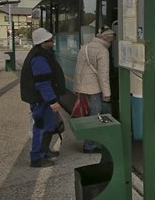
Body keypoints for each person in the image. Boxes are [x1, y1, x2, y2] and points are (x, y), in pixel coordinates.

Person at [20, 28, 66, 167]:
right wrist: (52, 100)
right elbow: (43, 83)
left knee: (48, 126)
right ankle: (36, 158)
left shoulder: (43, 54)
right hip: (42, 100)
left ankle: (45, 152)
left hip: (43, 99)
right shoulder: (39, 58)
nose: (52, 42)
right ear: (42, 42)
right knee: (40, 127)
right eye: (49, 41)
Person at [73, 26, 115, 153]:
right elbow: (103, 75)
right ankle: (89, 145)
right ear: (106, 38)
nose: (111, 43)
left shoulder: (85, 46)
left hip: (82, 86)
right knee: (94, 117)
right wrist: (107, 94)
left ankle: (104, 139)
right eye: (111, 41)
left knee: (95, 114)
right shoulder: (102, 51)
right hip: (93, 88)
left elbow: (78, 67)